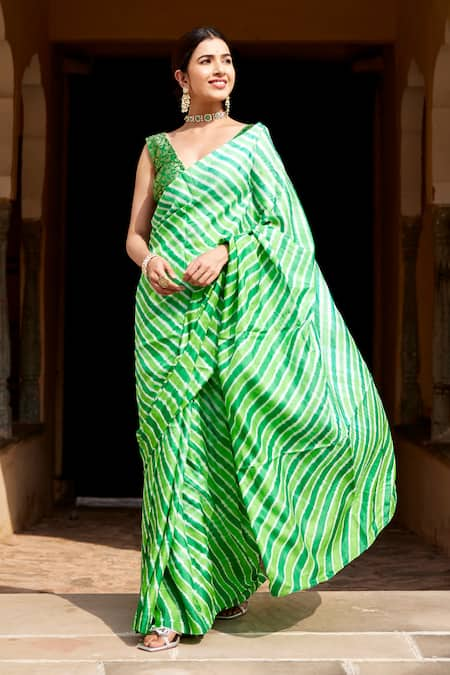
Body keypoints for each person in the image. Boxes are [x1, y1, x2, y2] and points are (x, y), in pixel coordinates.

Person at [125, 25, 397, 653]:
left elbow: (287, 229)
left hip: (238, 317)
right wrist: (147, 261)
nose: (220, 70)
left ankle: (221, 579)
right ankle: (167, 605)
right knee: (172, 455)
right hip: (164, 317)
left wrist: (227, 248)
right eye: (206, 61)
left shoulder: (254, 142)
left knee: (226, 445)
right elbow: (134, 234)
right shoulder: (156, 149)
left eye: (226, 61)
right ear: (180, 76)